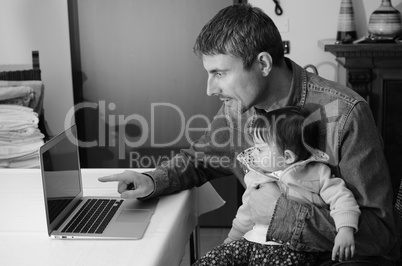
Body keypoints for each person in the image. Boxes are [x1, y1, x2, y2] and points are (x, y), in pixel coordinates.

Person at [99, 4, 401, 265]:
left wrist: (282, 214)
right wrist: (152, 180)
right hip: (259, 246)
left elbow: (381, 235)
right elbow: (199, 160)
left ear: (264, 64)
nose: (210, 89)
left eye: (220, 73)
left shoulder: (346, 113)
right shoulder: (237, 111)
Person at [193, 106, 360, 265]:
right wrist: (231, 241)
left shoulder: (317, 174)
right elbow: (246, 212)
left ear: (287, 157)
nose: (254, 153)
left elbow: (341, 198)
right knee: (213, 259)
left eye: (260, 149)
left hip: (291, 249)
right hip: (251, 241)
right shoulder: (256, 176)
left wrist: (345, 230)